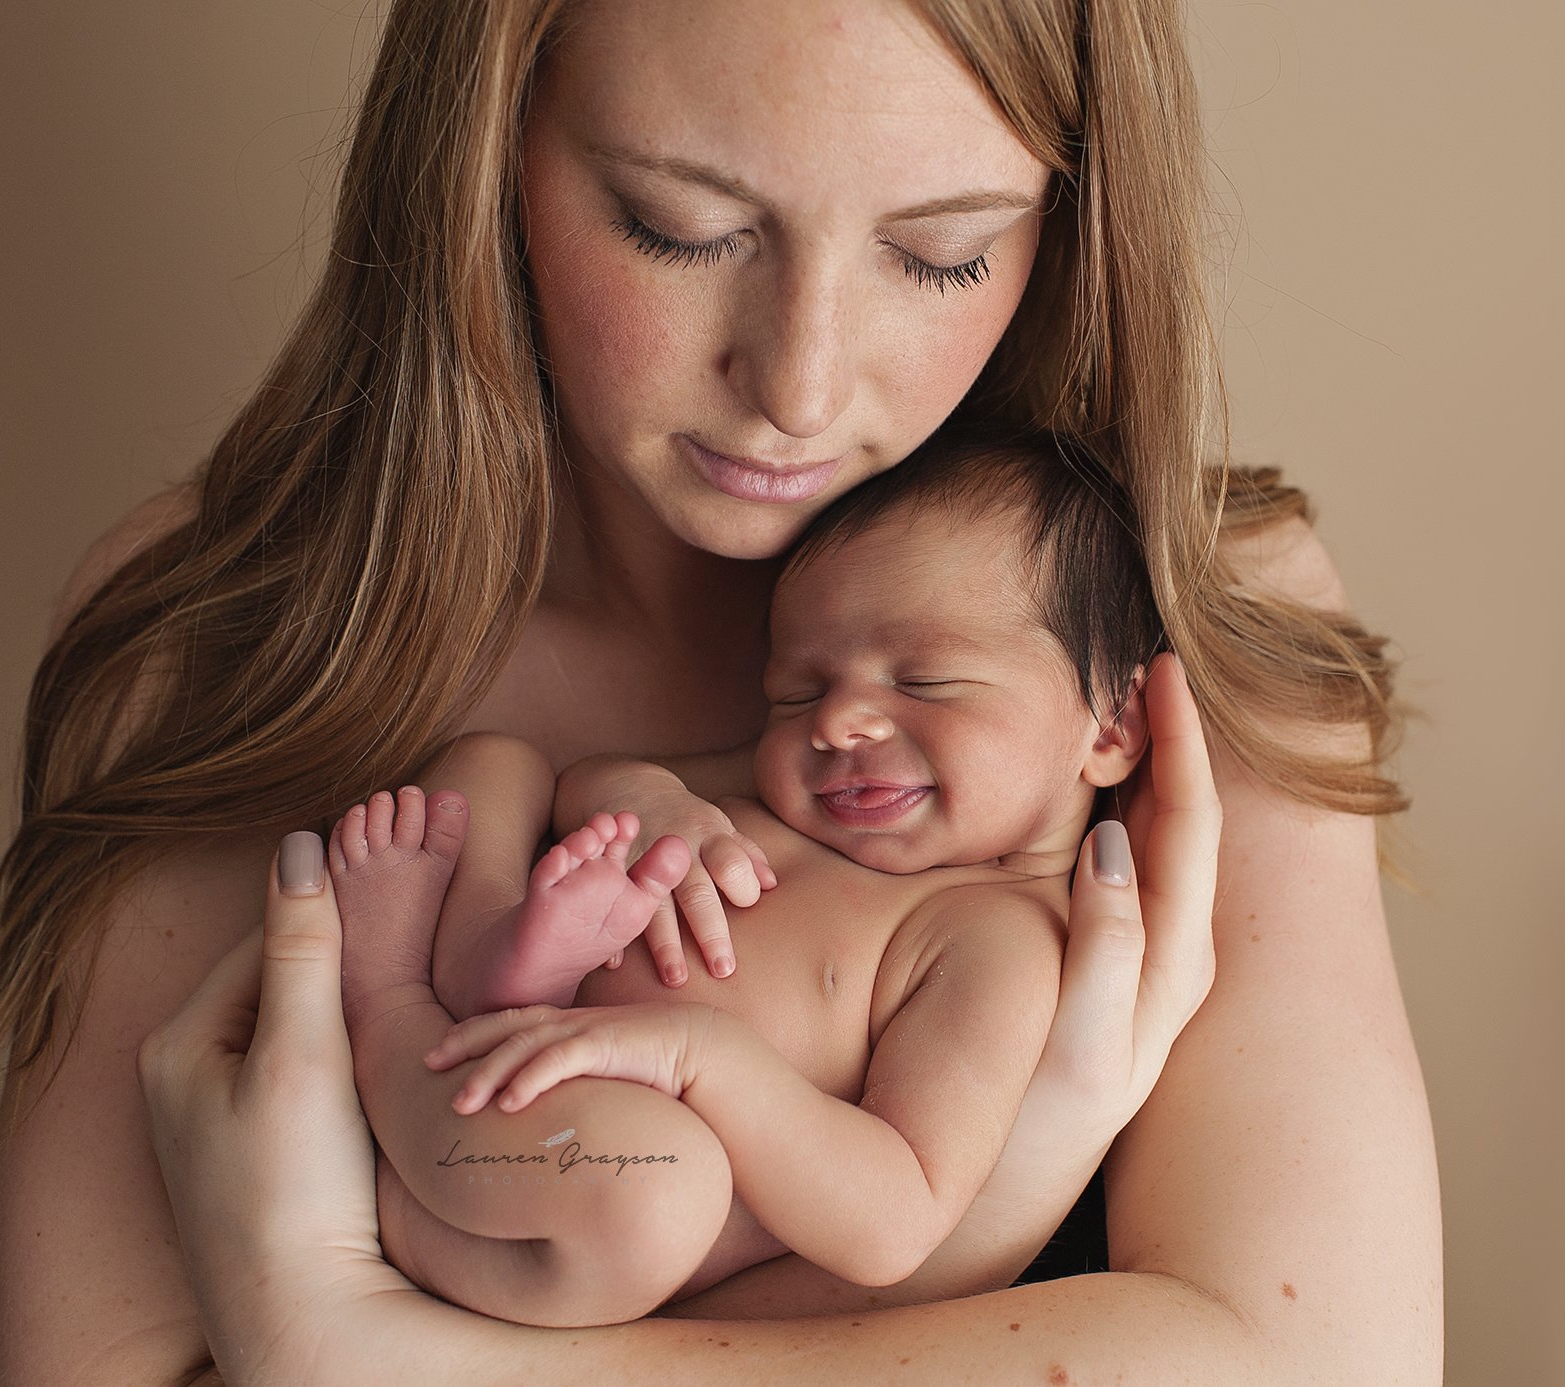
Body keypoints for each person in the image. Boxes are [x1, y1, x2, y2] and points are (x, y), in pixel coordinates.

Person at [0, 1, 1443, 1382]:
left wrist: (366, 1346)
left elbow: (1324, 1363)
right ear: (491, 144)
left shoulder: (1192, 617)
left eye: (939, 251)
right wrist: (1001, 1208)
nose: (797, 384)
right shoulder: (237, 633)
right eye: (679, 226)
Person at [330, 432, 1162, 1326]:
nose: (838, 721)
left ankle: (386, 1010)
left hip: (562, 1164)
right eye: (796, 691)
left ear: (1110, 727)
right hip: (512, 1033)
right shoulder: (797, 792)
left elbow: (897, 1213)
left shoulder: (997, 939)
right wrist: (648, 802)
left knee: (660, 1193)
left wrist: (697, 1059)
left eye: (925, 680)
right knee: (495, 764)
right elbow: (586, 782)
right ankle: (490, 961)